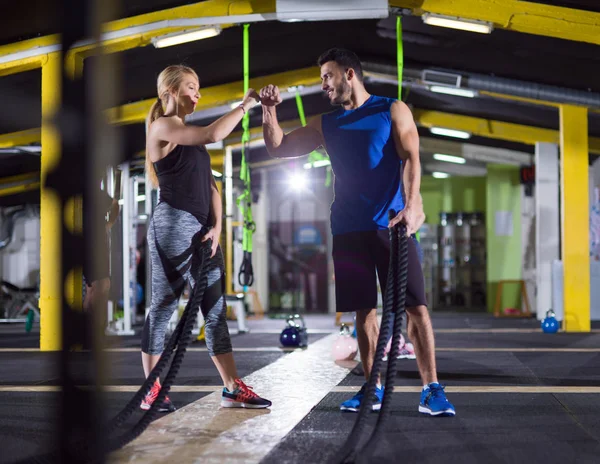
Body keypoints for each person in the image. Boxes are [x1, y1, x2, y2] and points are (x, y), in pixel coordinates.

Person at [260, 48, 455, 416]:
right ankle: (373, 388)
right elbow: (278, 147)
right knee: (362, 312)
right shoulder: (326, 124)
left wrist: (413, 206)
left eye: (327, 76)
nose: (323, 85)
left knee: (416, 308)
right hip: (348, 229)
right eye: (321, 78)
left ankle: (432, 388)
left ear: (350, 74)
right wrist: (269, 110)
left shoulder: (391, 109)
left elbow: (412, 157)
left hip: (392, 226)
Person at [142, 64, 271, 412]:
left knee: (215, 309)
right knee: (165, 306)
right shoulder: (163, 126)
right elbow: (215, 134)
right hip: (173, 223)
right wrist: (245, 106)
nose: (197, 94)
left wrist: (216, 226)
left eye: (198, 88)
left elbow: (213, 188)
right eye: (191, 87)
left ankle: (231, 386)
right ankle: (151, 389)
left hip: (203, 229)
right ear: (169, 91)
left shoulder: (190, 137)